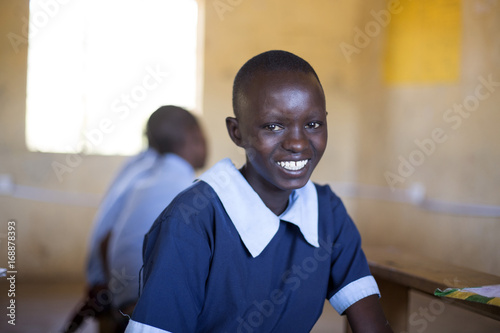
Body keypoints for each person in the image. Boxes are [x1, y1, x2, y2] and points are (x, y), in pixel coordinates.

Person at [125, 50, 392, 332]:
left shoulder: (327, 212)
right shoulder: (192, 220)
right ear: (236, 132)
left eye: (313, 124)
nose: (298, 143)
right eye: (273, 126)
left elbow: (372, 325)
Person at [66, 106, 206, 333]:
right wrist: (116, 297)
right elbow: (107, 240)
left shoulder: (141, 168)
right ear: (193, 135)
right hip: (116, 295)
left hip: (112, 289)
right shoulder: (172, 180)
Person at [107, 105, 207, 316]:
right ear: (193, 136)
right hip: (147, 304)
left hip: (122, 297)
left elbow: (105, 239)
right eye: (202, 136)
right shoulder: (188, 188)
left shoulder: (142, 181)